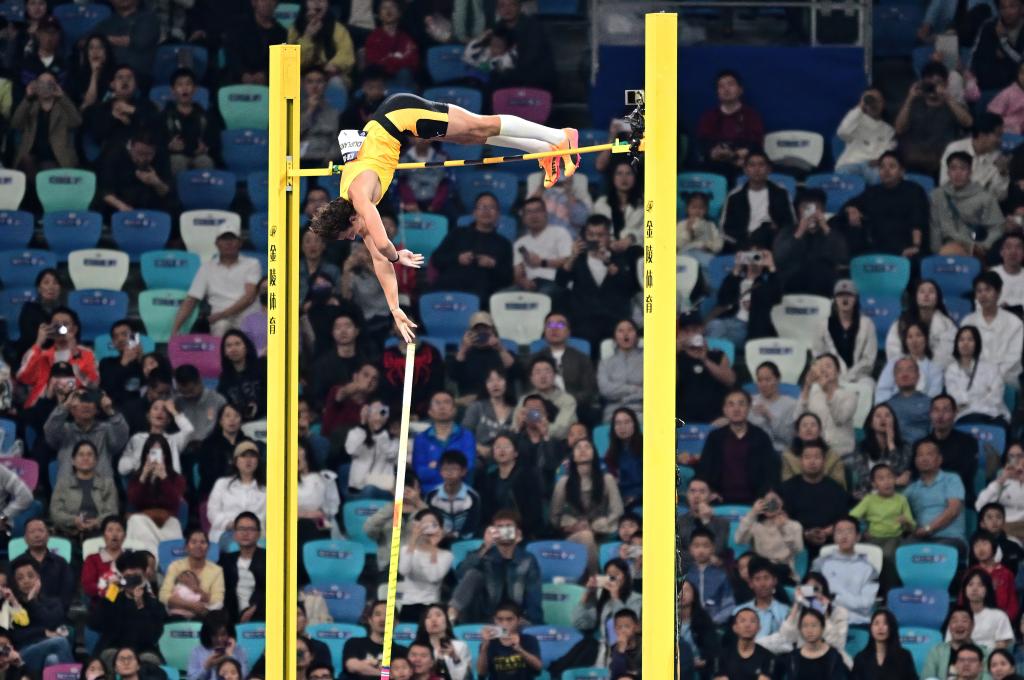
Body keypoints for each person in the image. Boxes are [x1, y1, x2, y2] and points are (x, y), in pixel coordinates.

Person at [309, 97, 582, 337]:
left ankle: (559, 136)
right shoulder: (353, 207)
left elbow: (383, 247)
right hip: (398, 123)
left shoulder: (359, 194)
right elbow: (381, 261)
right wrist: (395, 308)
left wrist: (396, 255)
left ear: (348, 220)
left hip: (401, 115)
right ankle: (542, 149)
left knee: (480, 125)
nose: (352, 238)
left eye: (347, 234)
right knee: (469, 137)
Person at [555, 217, 639, 354]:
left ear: (609, 236)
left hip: (613, 320)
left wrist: (607, 261)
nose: (595, 239)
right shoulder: (578, 259)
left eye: (600, 235)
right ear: (584, 236)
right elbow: (560, 282)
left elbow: (629, 289)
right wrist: (572, 257)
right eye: (591, 235)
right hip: (583, 320)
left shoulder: (620, 258)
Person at [448, 509, 543, 625]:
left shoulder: (527, 559)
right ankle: (450, 618)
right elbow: (460, 574)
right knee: (473, 574)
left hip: (516, 619)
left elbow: (534, 595)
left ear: (518, 532)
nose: (504, 531)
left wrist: (533, 624)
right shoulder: (484, 555)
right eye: (500, 527)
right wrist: (485, 546)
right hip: (486, 618)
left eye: (508, 527)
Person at [835, 151, 929, 257]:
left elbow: (918, 222)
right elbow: (850, 203)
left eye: (892, 166)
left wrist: (916, 246)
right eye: (882, 167)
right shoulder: (873, 192)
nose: (886, 170)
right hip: (878, 245)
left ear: (902, 172)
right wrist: (851, 209)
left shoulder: (914, 190)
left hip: (907, 245)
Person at [550, 438, 623, 572]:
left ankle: (591, 579)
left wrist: (596, 526)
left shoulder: (607, 479)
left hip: (600, 531)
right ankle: (595, 578)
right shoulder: (564, 482)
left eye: (587, 447)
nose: (583, 450)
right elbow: (554, 516)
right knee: (586, 536)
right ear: (573, 456)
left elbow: (617, 510)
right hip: (573, 535)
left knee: (588, 535)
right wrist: (570, 526)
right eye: (578, 447)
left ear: (594, 453)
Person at [695, 389, 779, 504]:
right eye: (731, 404)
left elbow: (771, 472)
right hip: (719, 500)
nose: (736, 409)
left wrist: (767, 493)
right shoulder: (715, 437)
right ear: (724, 410)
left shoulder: (761, 437)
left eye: (741, 404)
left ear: (748, 408)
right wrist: (710, 492)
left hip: (756, 502)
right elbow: (704, 469)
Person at [431, 193, 514, 302]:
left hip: (483, 294)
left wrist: (493, 265)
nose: (486, 211)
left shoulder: (504, 243)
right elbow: (437, 259)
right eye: (482, 207)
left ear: (498, 214)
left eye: (491, 207)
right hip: (451, 286)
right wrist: (457, 258)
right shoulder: (458, 233)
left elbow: (508, 278)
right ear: (474, 212)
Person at [895, 61, 974, 176]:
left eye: (937, 83)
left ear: (946, 84)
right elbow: (899, 128)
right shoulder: (913, 103)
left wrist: (947, 98)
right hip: (912, 159)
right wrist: (909, 98)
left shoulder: (953, 105)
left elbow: (968, 123)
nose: (932, 87)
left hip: (942, 161)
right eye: (929, 84)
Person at [19, 306, 99, 409]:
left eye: (64, 324)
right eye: (55, 324)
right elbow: (24, 377)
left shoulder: (86, 354)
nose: (59, 328)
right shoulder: (40, 354)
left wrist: (74, 351)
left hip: (74, 407)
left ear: (74, 329)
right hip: (40, 407)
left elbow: (92, 383)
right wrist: (38, 343)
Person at [92, 552, 164, 666]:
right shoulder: (113, 599)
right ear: (122, 577)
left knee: (149, 659)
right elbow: (95, 623)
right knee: (108, 654)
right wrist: (112, 591)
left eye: (136, 577)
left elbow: (153, 636)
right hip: (114, 648)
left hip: (143, 650)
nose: (132, 581)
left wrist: (140, 604)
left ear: (144, 576)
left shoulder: (154, 603)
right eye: (128, 577)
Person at [774, 189, 850, 297]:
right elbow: (779, 257)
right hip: (792, 286)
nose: (811, 212)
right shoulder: (787, 231)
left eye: (816, 207)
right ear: (798, 211)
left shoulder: (831, 231)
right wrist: (800, 232)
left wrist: (825, 227)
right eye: (805, 208)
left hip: (825, 287)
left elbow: (843, 256)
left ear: (823, 210)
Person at [850, 464, 915, 588]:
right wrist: (861, 532)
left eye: (890, 477)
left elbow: (912, 527)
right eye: (881, 479)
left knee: (887, 556)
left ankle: (889, 590)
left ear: (895, 479)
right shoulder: (869, 499)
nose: (887, 482)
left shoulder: (901, 500)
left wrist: (906, 522)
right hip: (873, 539)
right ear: (874, 484)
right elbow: (851, 518)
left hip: (894, 538)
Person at [780, 439, 849, 556]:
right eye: (807, 457)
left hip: (830, 543)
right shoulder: (787, 488)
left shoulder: (836, 489)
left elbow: (843, 519)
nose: (812, 462)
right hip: (795, 543)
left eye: (817, 457)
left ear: (824, 461)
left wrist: (826, 532)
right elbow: (782, 520)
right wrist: (805, 534)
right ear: (800, 461)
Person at [930, 152, 1005, 256]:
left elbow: (997, 227)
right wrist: (936, 253)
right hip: (944, 249)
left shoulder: (985, 198)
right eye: (953, 168)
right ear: (948, 172)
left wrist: (983, 246)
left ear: (970, 172)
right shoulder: (937, 196)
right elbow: (934, 228)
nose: (958, 173)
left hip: (973, 249)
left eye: (963, 168)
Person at [5, 557, 74, 671]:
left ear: (38, 578)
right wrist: (43, 632)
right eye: (20, 578)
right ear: (15, 584)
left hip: (51, 648)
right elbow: (16, 636)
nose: (26, 581)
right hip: (25, 653)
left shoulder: (54, 603)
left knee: (52, 660)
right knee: (60, 642)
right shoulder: (13, 606)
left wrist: (32, 601)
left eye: (30, 576)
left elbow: (51, 623)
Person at [706, 247, 782, 348]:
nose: (754, 261)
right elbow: (723, 300)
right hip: (731, 321)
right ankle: (714, 352)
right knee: (714, 326)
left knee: (718, 339)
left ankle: (714, 352)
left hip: (751, 327)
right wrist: (736, 269)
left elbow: (777, 296)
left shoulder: (766, 283)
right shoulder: (737, 281)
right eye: (750, 256)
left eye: (757, 257)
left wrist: (771, 266)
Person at [124, 434, 186, 557]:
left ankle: (159, 561)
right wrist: (143, 476)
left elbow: (175, 503)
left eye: (159, 453)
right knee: (135, 521)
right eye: (152, 452)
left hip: (168, 521)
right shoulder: (137, 477)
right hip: (143, 521)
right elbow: (133, 501)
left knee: (173, 525)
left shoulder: (176, 478)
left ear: (165, 456)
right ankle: (149, 561)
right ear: (146, 455)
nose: (155, 457)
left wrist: (164, 478)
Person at [720, 150, 795, 251]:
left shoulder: (781, 193)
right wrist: (745, 243)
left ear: (769, 169)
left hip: (773, 243)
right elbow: (725, 230)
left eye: (761, 165)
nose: (757, 169)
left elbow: (790, 224)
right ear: (745, 170)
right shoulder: (734, 196)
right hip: (744, 244)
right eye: (752, 165)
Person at [696, 71, 765, 179]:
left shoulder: (751, 116)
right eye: (721, 86)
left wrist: (735, 155)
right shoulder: (709, 117)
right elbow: (703, 143)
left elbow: (756, 144)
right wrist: (713, 152)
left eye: (730, 84)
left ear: (740, 90)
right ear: (717, 92)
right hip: (715, 164)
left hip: (742, 164)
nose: (726, 89)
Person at [10, 72, 80, 178]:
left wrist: (62, 97)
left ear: (56, 86)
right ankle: (39, 186)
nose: (45, 87)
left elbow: (77, 122)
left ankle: (40, 187)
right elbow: (15, 123)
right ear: (36, 86)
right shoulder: (30, 105)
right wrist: (27, 98)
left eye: (49, 83)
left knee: (48, 167)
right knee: (27, 160)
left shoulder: (62, 106)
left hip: (56, 156)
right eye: (41, 83)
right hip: (31, 155)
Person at [810, 516, 878, 625]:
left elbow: (867, 605)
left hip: (857, 622)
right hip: (825, 621)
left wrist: (835, 597)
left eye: (849, 532)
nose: (844, 536)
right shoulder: (820, 564)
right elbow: (810, 594)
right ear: (834, 537)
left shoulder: (869, 569)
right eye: (839, 532)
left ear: (858, 537)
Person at [811, 279, 878, 390]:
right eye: (840, 295)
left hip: (859, 377)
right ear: (835, 299)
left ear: (856, 299)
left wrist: (849, 376)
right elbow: (818, 355)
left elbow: (869, 359)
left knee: (868, 386)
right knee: (815, 387)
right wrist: (832, 374)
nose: (845, 299)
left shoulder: (867, 324)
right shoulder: (823, 326)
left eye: (849, 295)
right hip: (830, 375)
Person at [529, 312, 599, 416]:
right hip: (542, 410)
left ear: (568, 332)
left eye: (560, 325)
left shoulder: (581, 358)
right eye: (550, 325)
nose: (554, 329)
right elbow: (530, 389)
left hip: (576, 408)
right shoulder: (534, 359)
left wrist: (567, 402)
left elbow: (589, 391)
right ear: (544, 331)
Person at [962, 271, 1024, 386]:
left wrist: (992, 378)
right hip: (974, 379)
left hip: (1006, 380)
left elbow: (1013, 358)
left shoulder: (1014, 323)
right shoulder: (968, 322)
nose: (983, 295)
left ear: (998, 292)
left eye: (988, 290)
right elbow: (963, 354)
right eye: (979, 291)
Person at [48, 440, 118, 540]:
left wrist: (97, 522)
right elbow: (55, 512)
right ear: (73, 461)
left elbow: (113, 512)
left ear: (96, 460)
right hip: (68, 533)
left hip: (99, 534)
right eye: (81, 455)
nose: (85, 458)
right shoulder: (62, 484)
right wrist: (74, 520)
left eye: (90, 455)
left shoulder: (108, 484)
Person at [676, 312, 737, 424]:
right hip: (683, 419)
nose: (691, 334)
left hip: (716, 418)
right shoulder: (676, 357)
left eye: (694, 330)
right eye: (686, 331)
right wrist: (675, 351)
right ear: (680, 333)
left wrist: (705, 359)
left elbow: (730, 380)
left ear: (702, 330)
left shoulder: (717, 355)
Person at [97, 128, 173, 215]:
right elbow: (105, 192)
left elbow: (167, 192)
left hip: (152, 205)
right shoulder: (113, 154)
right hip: (120, 204)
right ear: (131, 147)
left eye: (148, 154)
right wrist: (122, 206)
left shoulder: (161, 155)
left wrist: (156, 182)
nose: (142, 159)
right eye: (139, 153)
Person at [397, 509, 454, 623]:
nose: (428, 528)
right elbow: (403, 570)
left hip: (431, 606)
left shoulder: (446, 555)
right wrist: (413, 539)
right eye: (424, 524)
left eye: (433, 525)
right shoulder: (406, 550)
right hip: (408, 604)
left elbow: (433, 578)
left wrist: (433, 548)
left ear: (440, 529)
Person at [413, 391, 477, 492]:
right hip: (431, 493)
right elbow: (421, 473)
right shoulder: (421, 439)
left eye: (447, 402)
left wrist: (436, 466)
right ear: (430, 411)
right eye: (437, 403)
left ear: (454, 410)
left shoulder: (466, 436)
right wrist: (453, 469)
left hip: (461, 493)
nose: (442, 407)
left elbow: (468, 468)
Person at [510, 197, 574, 299]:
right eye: (529, 212)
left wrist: (542, 262)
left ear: (546, 214)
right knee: (501, 297)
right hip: (530, 284)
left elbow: (568, 261)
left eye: (537, 211)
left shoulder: (560, 232)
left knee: (541, 298)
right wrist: (523, 281)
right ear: (523, 218)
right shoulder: (519, 243)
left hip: (554, 282)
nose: (533, 216)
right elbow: (518, 273)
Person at [885, 279, 958, 368]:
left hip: (936, 371)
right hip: (906, 371)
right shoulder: (901, 322)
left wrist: (930, 370)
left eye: (931, 292)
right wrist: (909, 368)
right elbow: (893, 349)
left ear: (937, 298)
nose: (926, 295)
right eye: (922, 291)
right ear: (916, 297)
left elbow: (948, 354)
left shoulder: (947, 324)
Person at [945, 325, 1010, 424]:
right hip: (963, 417)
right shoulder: (951, 370)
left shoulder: (991, 368)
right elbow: (955, 398)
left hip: (991, 415)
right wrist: (983, 393)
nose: (965, 343)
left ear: (977, 343)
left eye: (970, 339)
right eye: (961, 340)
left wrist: (968, 402)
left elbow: (996, 397)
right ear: (956, 344)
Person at [798, 354, 858, 460]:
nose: (824, 370)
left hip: (843, 454)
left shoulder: (850, 396)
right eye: (821, 367)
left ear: (838, 371)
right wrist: (807, 386)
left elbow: (839, 419)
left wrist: (828, 391)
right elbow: (799, 417)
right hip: (816, 455)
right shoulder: (812, 393)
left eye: (828, 366)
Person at [925, 394, 982, 504]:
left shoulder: (968, 442)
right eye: (936, 410)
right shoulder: (922, 444)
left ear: (955, 413)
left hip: (959, 497)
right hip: (928, 497)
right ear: (930, 414)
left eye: (946, 410)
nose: (940, 415)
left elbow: (964, 475)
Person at [206, 442, 266, 544]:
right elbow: (213, 512)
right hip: (225, 532)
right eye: (243, 456)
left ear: (258, 461)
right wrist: (231, 525)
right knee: (233, 545)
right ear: (235, 461)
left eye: (252, 456)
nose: (248, 460)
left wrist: (250, 528)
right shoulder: (222, 484)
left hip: (256, 535)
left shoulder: (265, 489)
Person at [941, 112, 1010, 200]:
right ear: (982, 136)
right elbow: (945, 184)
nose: (1000, 141)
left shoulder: (997, 157)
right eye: (998, 135)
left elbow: (999, 196)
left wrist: (1002, 173)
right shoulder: (955, 149)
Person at [159, 528, 225, 618]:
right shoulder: (175, 566)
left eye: (203, 542)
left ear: (208, 547)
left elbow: (218, 600)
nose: (198, 545)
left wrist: (196, 589)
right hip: (178, 614)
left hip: (204, 615)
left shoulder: (217, 570)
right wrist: (189, 605)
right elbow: (163, 595)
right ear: (186, 547)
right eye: (193, 542)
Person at [834, 88, 897, 184]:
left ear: (883, 104)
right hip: (851, 163)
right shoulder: (855, 119)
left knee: (884, 179)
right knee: (843, 176)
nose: (874, 104)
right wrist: (861, 106)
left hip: (874, 166)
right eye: (871, 100)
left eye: (878, 101)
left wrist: (880, 160)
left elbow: (889, 149)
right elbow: (842, 132)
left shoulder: (888, 130)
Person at [287, 0, 355, 87]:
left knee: (336, 81)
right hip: (303, 74)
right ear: (306, 4)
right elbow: (291, 62)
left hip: (329, 75)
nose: (317, 2)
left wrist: (334, 65)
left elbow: (346, 54)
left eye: (322, 0)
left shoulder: (338, 29)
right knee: (286, 78)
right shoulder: (295, 28)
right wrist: (308, 36)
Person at [118, 397, 193, 477]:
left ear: (168, 419)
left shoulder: (174, 440)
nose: (159, 412)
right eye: (155, 408)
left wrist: (173, 411)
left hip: (169, 483)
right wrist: (139, 461)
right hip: (144, 481)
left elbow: (189, 430)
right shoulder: (137, 438)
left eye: (164, 410)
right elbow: (122, 469)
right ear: (148, 416)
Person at [850, 404, 912, 499]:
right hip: (867, 496)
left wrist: (891, 443)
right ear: (871, 423)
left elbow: (899, 471)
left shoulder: (905, 447)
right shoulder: (861, 448)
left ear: (894, 421)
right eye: (878, 416)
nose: (883, 419)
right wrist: (894, 481)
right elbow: (864, 479)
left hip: (895, 496)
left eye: (887, 415)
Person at [875, 322, 944, 403]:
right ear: (905, 341)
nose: (914, 341)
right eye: (910, 337)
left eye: (918, 335)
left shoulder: (935, 369)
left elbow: (933, 397)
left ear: (926, 338)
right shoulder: (894, 362)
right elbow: (882, 390)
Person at [512, 357, 578, 441]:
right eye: (537, 372)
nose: (543, 376)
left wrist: (539, 430)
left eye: (547, 371)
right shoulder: (524, 400)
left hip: (557, 443)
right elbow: (514, 427)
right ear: (531, 378)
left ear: (555, 375)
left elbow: (562, 429)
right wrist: (519, 425)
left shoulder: (567, 400)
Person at [222, 0, 287, 85]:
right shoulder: (238, 26)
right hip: (238, 80)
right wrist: (243, 74)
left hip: (269, 82)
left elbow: (280, 62)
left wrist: (266, 75)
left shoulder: (281, 33)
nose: (268, 3)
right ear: (254, 2)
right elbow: (232, 54)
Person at [772, 609, 850, 679]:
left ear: (822, 628)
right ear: (800, 629)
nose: (809, 630)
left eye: (814, 625)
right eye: (805, 626)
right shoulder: (793, 657)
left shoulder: (834, 656)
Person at [476, 600, 543, 680]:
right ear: (495, 620)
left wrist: (520, 649)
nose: (505, 623)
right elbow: (482, 673)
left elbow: (538, 667)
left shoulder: (529, 640)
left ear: (519, 620)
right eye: (500, 619)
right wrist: (484, 648)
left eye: (509, 619)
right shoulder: (489, 643)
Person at [218, 511, 265, 623]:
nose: (245, 533)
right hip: (232, 617)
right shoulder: (226, 560)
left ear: (258, 534)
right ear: (234, 534)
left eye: (251, 529)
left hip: (263, 616)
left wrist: (254, 609)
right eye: (241, 529)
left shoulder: (269, 559)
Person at [463, 368, 517, 463]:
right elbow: (464, 434)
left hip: (508, 459)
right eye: (490, 381)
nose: (495, 384)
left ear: (507, 382)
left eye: (499, 379)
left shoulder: (516, 411)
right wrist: (478, 447)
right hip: (480, 458)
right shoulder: (477, 407)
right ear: (485, 385)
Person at [425, 451, 482, 541]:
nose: (449, 473)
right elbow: (429, 521)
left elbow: (472, 526)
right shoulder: (432, 495)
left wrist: (454, 536)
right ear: (440, 471)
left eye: (454, 469)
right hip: (437, 540)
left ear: (463, 471)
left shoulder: (472, 497)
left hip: (464, 541)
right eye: (445, 469)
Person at [780, 412, 847, 489]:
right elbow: (787, 486)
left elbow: (839, 485)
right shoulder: (788, 456)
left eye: (813, 425)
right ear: (797, 432)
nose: (809, 429)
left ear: (819, 431)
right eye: (804, 425)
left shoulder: (833, 456)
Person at [684, 528, 735, 625]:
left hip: (715, 625)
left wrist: (713, 622)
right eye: (696, 546)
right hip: (688, 625)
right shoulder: (685, 575)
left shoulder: (721, 575)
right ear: (690, 549)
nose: (701, 550)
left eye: (706, 546)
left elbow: (729, 605)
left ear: (713, 548)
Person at [731, 557, 792, 638]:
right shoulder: (738, 612)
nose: (762, 584)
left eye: (766, 578)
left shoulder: (786, 611)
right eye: (757, 579)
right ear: (751, 583)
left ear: (775, 581)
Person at [679, 478, 732, 569]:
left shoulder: (722, 523)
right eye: (692, 491)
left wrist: (706, 520)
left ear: (711, 496)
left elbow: (718, 550)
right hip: (685, 570)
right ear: (687, 495)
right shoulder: (679, 522)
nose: (696, 495)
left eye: (702, 492)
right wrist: (702, 558)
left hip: (713, 570)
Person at [195, 404, 246, 499]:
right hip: (214, 492)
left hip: (243, 491)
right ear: (220, 421)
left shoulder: (247, 444)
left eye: (236, 416)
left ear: (241, 421)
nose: (232, 419)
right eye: (227, 416)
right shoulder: (208, 444)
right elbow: (207, 473)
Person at [851, 609, 918, 679]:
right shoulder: (861, 658)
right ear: (870, 628)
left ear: (892, 627)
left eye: (885, 623)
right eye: (876, 623)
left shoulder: (904, 657)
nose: (880, 627)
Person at [972, 0, 1024, 91]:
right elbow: (978, 59)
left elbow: (1021, 63)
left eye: (1012, 6)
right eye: (1003, 7)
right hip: (988, 87)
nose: (1007, 11)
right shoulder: (989, 27)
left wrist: (1004, 42)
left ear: (1022, 8)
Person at [215, 331, 266, 422]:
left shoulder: (263, 366)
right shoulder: (224, 379)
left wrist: (258, 406)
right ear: (225, 352)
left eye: (237, 344)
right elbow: (224, 406)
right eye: (229, 346)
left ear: (246, 347)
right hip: (241, 423)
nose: (233, 349)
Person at [966, 535, 1019, 622]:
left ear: (994, 546)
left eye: (984, 544)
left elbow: (1013, 604)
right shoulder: (970, 574)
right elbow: (962, 601)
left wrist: (1003, 619)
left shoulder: (1006, 574)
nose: (980, 549)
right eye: (976, 545)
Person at [922, 605, 986, 678]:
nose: (959, 625)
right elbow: (927, 677)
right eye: (954, 621)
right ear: (949, 626)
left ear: (972, 625)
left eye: (964, 621)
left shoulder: (984, 653)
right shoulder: (936, 652)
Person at [977, 443, 1024, 541]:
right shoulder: (1001, 479)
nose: (1016, 460)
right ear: (1007, 459)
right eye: (1011, 456)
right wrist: (1001, 480)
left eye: (1020, 456)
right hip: (1005, 528)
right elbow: (979, 506)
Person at [712, 607, 776, 679]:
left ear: (759, 628)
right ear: (735, 628)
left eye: (752, 621)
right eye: (742, 621)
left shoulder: (768, 656)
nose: (747, 625)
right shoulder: (721, 654)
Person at [956, 569, 1014, 648]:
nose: (974, 589)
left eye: (980, 585)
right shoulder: (956, 617)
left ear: (987, 589)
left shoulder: (999, 616)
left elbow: (1003, 646)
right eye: (970, 584)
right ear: (964, 589)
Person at [748, 362, 797, 453]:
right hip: (754, 451)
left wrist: (769, 416)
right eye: (759, 380)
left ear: (778, 380)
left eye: (767, 380)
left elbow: (789, 438)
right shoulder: (750, 401)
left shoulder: (791, 404)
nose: (763, 384)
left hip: (779, 453)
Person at [299, 66, 341, 168]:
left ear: (325, 85)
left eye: (319, 81)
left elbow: (337, 142)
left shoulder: (334, 112)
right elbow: (292, 136)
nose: (315, 86)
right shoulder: (295, 110)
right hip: (300, 161)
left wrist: (328, 160)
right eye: (310, 82)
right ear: (303, 85)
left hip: (325, 161)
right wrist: (310, 111)